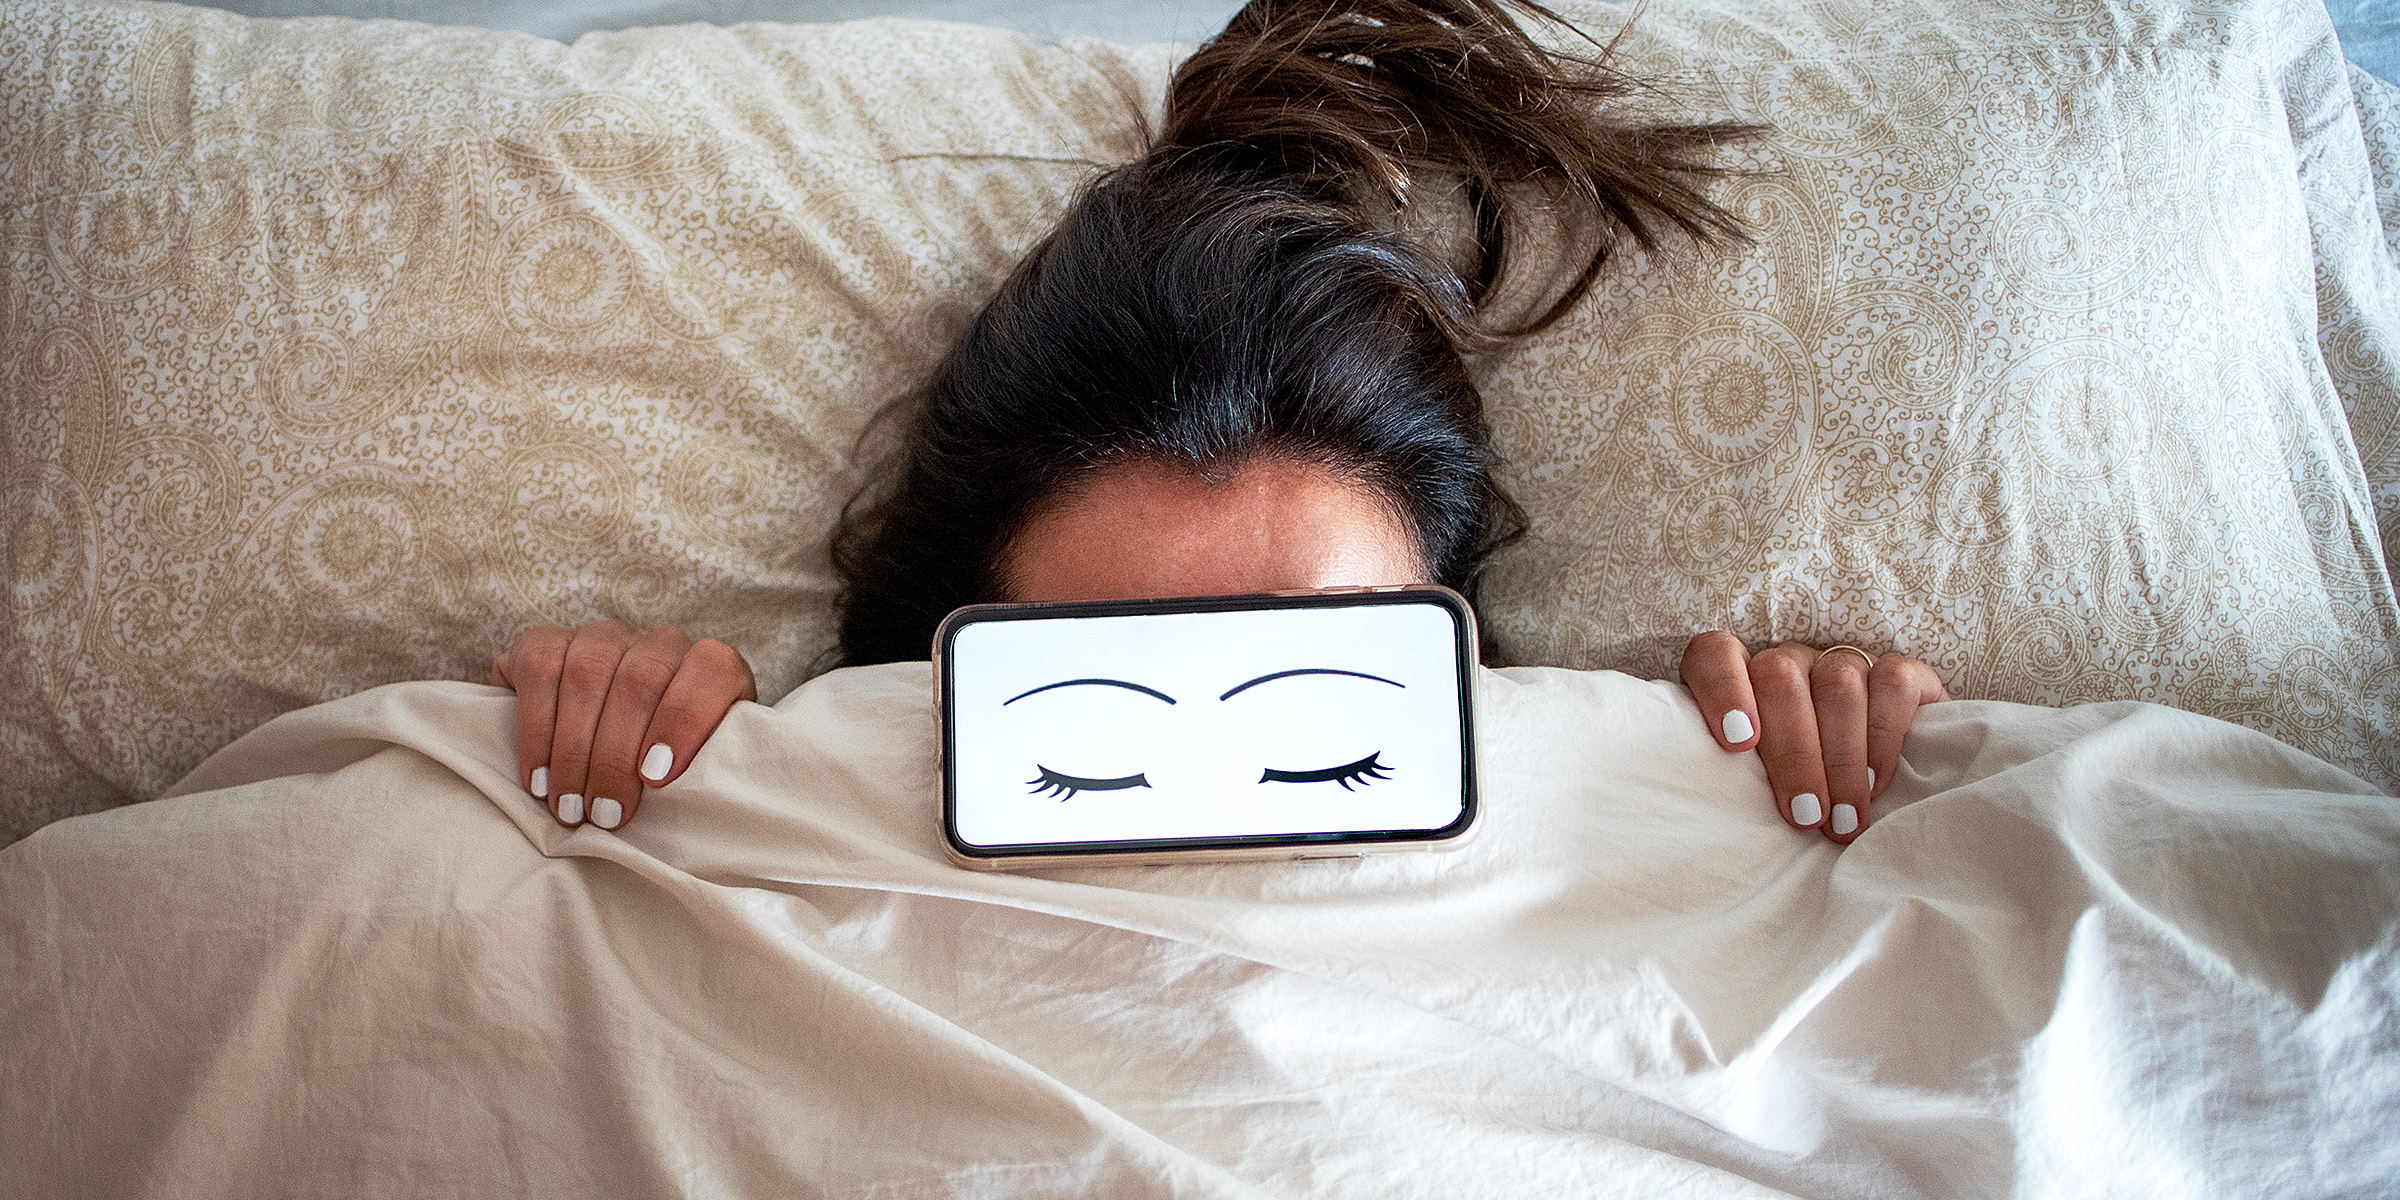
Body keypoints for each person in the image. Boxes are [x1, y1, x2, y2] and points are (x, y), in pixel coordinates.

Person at [489, 0, 1951, 844]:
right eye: (1084, 751)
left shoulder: (1619, 814)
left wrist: (1801, 805)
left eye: (1327, 730)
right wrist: (685, 783)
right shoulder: (808, 822)